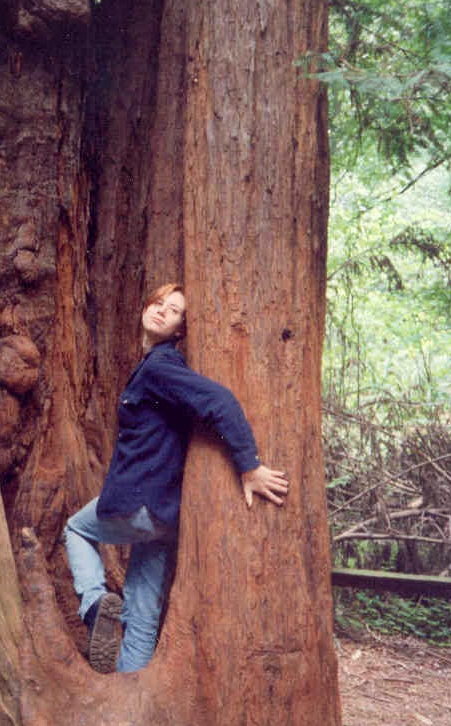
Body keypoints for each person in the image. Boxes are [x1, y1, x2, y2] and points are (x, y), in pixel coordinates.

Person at [64, 282, 290, 674]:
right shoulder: (162, 368)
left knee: (76, 529)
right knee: (143, 604)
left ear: (180, 330)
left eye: (174, 310)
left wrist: (249, 466)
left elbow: (219, 400)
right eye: (158, 302)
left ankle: (95, 604)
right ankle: (131, 690)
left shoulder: (159, 368)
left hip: (135, 505)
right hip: (166, 518)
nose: (162, 311)